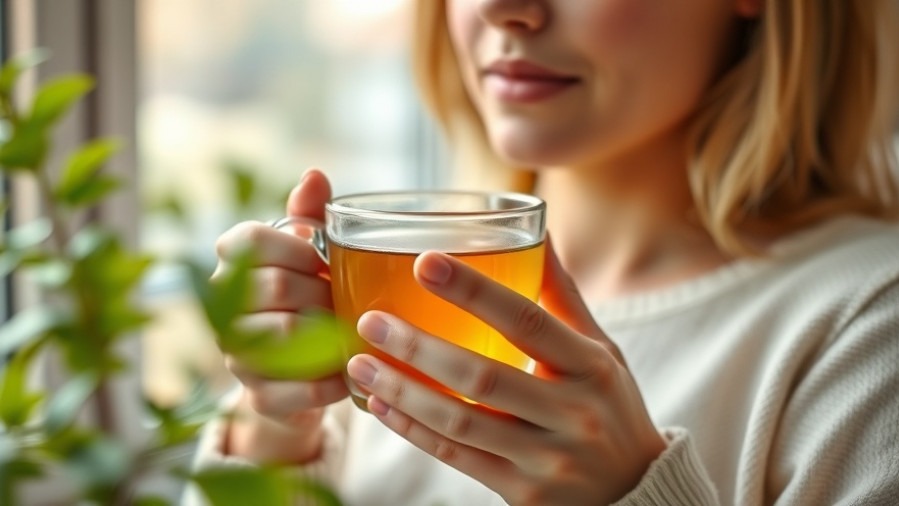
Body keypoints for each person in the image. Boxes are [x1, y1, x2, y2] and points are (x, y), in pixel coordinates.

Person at [188, 0, 899, 504]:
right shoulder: (378, 289)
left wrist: (631, 497)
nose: (504, 8)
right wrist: (274, 428)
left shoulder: (869, 324)